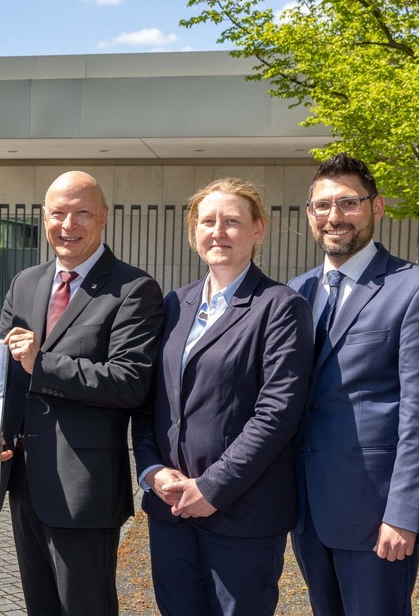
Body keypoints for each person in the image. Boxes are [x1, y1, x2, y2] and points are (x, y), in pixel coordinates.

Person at [0, 170, 164, 615]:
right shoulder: (26, 281)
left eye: (82, 213)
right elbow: (5, 371)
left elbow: (129, 383)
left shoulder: (134, 289)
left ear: (103, 217)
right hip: (24, 480)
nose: (69, 225)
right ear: (44, 217)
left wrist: (41, 362)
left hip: (85, 489)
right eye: (59, 213)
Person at [131, 177, 312, 615]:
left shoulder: (280, 307)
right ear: (194, 231)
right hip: (171, 510)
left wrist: (211, 488)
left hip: (242, 515)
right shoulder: (175, 304)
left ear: (257, 230)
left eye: (232, 221)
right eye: (208, 221)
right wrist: (152, 470)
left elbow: (276, 414)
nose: (219, 231)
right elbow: (148, 400)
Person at [287, 154, 419, 615]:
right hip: (308, 509)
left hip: (377, 514)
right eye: (323, 206)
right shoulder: (295, 293)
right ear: (310, 214)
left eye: (349, 203)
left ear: (377, 208)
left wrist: (405, 513)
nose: (334, 217)